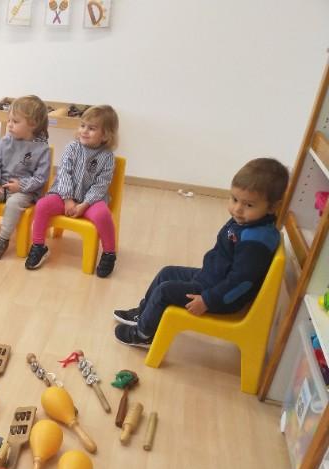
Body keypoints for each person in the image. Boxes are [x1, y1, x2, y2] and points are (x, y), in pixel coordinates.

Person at [113, 157, 289, 347]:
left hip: (220, 296)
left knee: (165, 291)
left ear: (272, 207)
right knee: (167, 272)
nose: (237, 209)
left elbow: (240, 283)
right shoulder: (248, 222)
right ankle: (144, 313)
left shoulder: (256, 241)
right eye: (234, 199)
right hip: (210, 278)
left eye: (249, 205)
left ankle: (143, 333)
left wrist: (208, 300)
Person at [24, 105, 120, 276]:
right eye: (83, 126)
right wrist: (68, 199)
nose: (84, 131)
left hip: (90, 201)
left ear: (105, 135)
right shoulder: (72, 147)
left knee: (103, 215)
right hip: (63, 196)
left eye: (92, 128)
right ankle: (38, 245)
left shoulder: (107, 157)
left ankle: (109, 253)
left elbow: (101, 185)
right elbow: (64, 173)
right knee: (42, 205)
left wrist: (84, 204)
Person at [0, 95, 51, 260]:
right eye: (9, 120)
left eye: (15, 121)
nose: (9, 124)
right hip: (1, 185)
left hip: (24, 191)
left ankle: (3, 239)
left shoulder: (42, 149)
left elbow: (41, 178)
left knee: (14, 204)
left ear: (33, 124)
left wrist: (21, 185)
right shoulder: (5, 141)